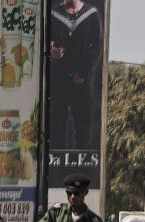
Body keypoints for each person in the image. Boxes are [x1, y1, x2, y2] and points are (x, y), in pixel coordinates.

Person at [49, 0, 103, 150]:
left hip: (81, 79)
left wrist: (83, 72)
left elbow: (97, 47)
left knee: (83, 122)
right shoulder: (54, 14)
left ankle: (82, 161)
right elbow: (48, 40)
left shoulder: (91, 15)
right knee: (56, 122)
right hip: (59, 77)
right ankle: (56, 161)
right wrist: (52, 51)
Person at [29, 174, 104, 222]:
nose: (72, 196)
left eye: (76, 193)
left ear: (85, 192)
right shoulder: (57, 211)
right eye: (69, 193)